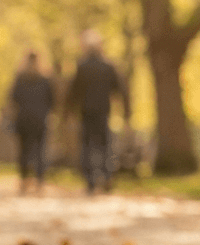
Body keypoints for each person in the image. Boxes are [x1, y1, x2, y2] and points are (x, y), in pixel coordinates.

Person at [67, 30, 130, 194]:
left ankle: (90, 181)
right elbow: (121, 89)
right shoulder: (108, 66)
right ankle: (107, 176)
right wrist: (126, 111)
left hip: (86, 111)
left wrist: (69, 112)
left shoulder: (82, 66)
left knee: (87, 146)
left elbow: (73, 92)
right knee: (105, 145)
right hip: (103, 111)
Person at [8, 51, 55, 193]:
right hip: (40, 119)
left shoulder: (20, 78)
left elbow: (13, 99)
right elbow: (51, 100)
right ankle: (39, 182)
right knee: (40, 151)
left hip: (23, 119)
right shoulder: (44, 79)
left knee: (24, 151)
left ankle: (24, 180)